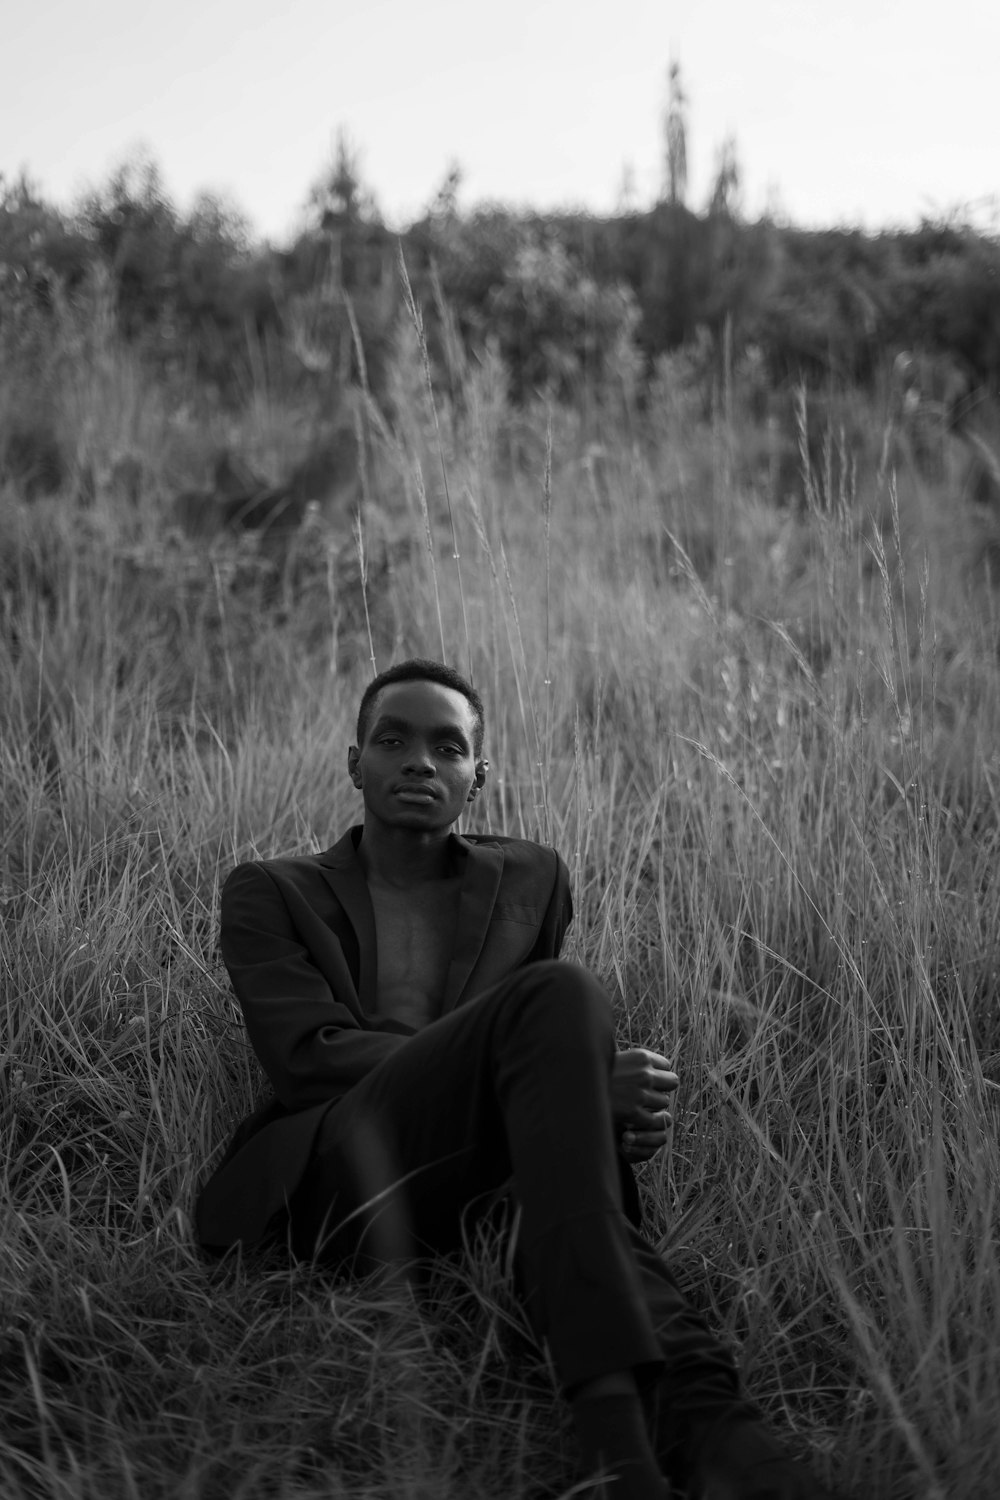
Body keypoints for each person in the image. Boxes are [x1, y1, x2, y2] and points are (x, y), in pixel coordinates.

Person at [196, 659, 833, 1500]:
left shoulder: (533, 878)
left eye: (448, 748)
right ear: (356, 763)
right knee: (561, 993)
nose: (420, 762)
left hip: (479, 1178)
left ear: (477, 778)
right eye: (393, 740)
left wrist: (581, 1111)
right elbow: (309, 1055)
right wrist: (567, 1086)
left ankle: (731, 1447)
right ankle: (618, 1453)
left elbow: (533, 1071)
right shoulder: (272, 890)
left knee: (572, 1207)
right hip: (341, 1175)